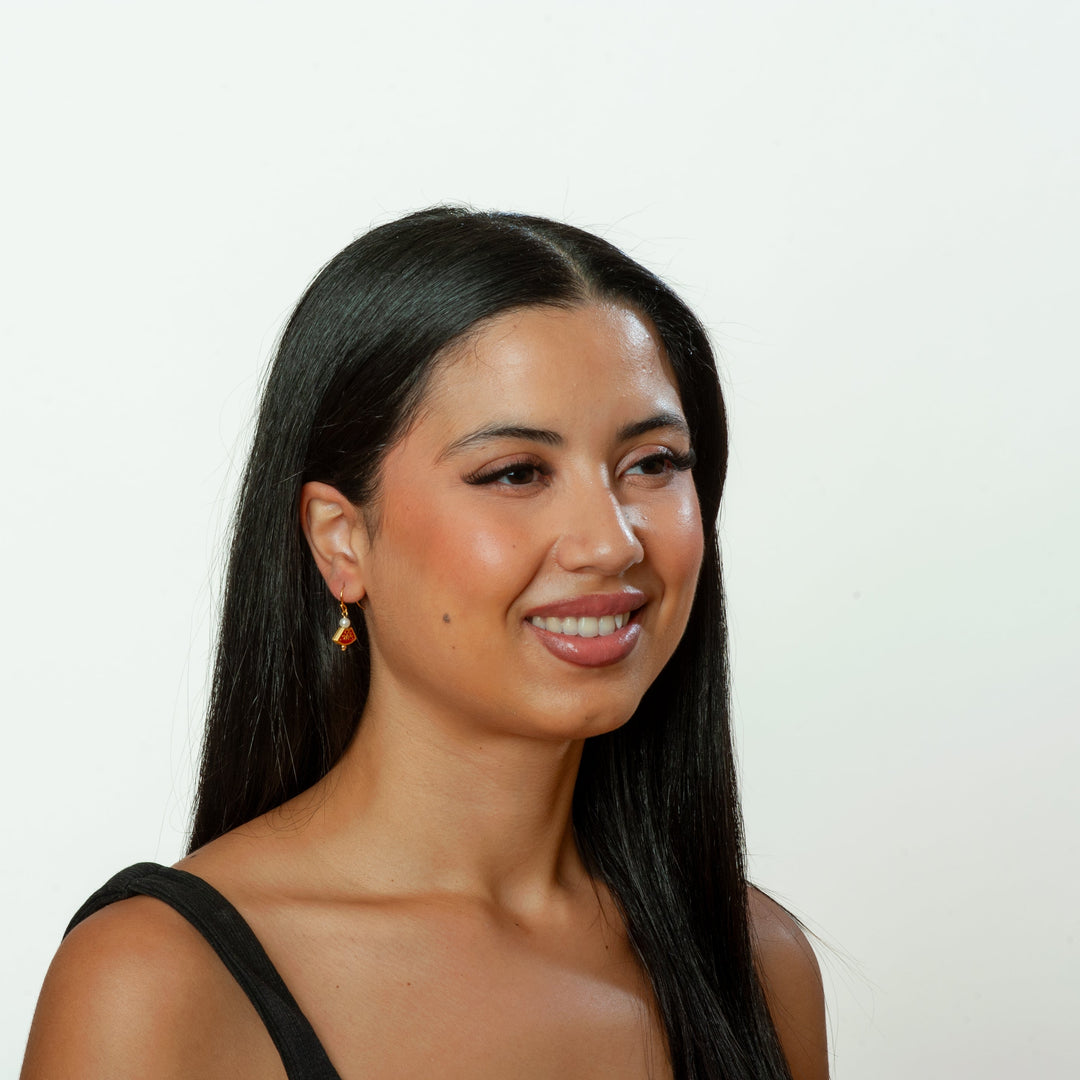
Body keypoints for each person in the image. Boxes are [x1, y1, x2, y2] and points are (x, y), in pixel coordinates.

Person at [21, 207, 828, 1079]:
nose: (612, 541)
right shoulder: (158, 983)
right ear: (342, 540)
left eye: (654, 463)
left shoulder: (755, 962)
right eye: (516, 473)